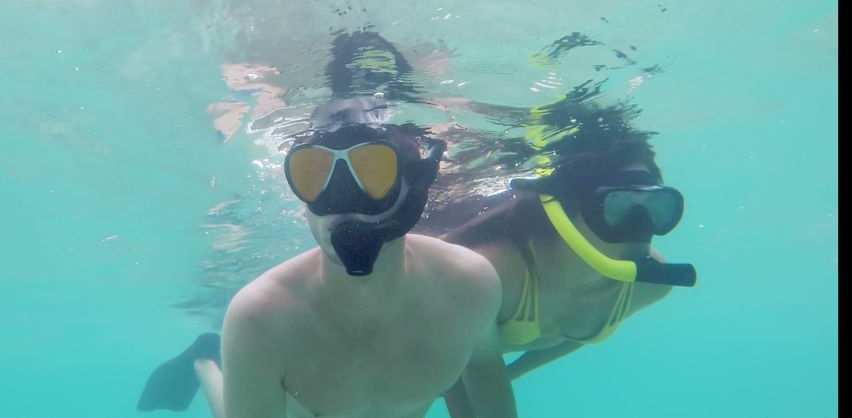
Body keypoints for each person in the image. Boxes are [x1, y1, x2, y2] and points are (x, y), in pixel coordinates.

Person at [139, 45, 516, 416]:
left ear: (413, 191)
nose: (340, 199)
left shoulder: (469, 285)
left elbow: (481, 374)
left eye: (372, 171)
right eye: (314, 173)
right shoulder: (260, 320)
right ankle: (206, 358)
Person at [422, 92, 697, 417]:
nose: (640, 228)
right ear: (571, 211)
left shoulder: (649, 286)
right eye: (619, 208)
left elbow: (578, 334)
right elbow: (471, 368)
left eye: (656, 208)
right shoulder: (499, 270)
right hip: (426, 341)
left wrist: (519, 371)